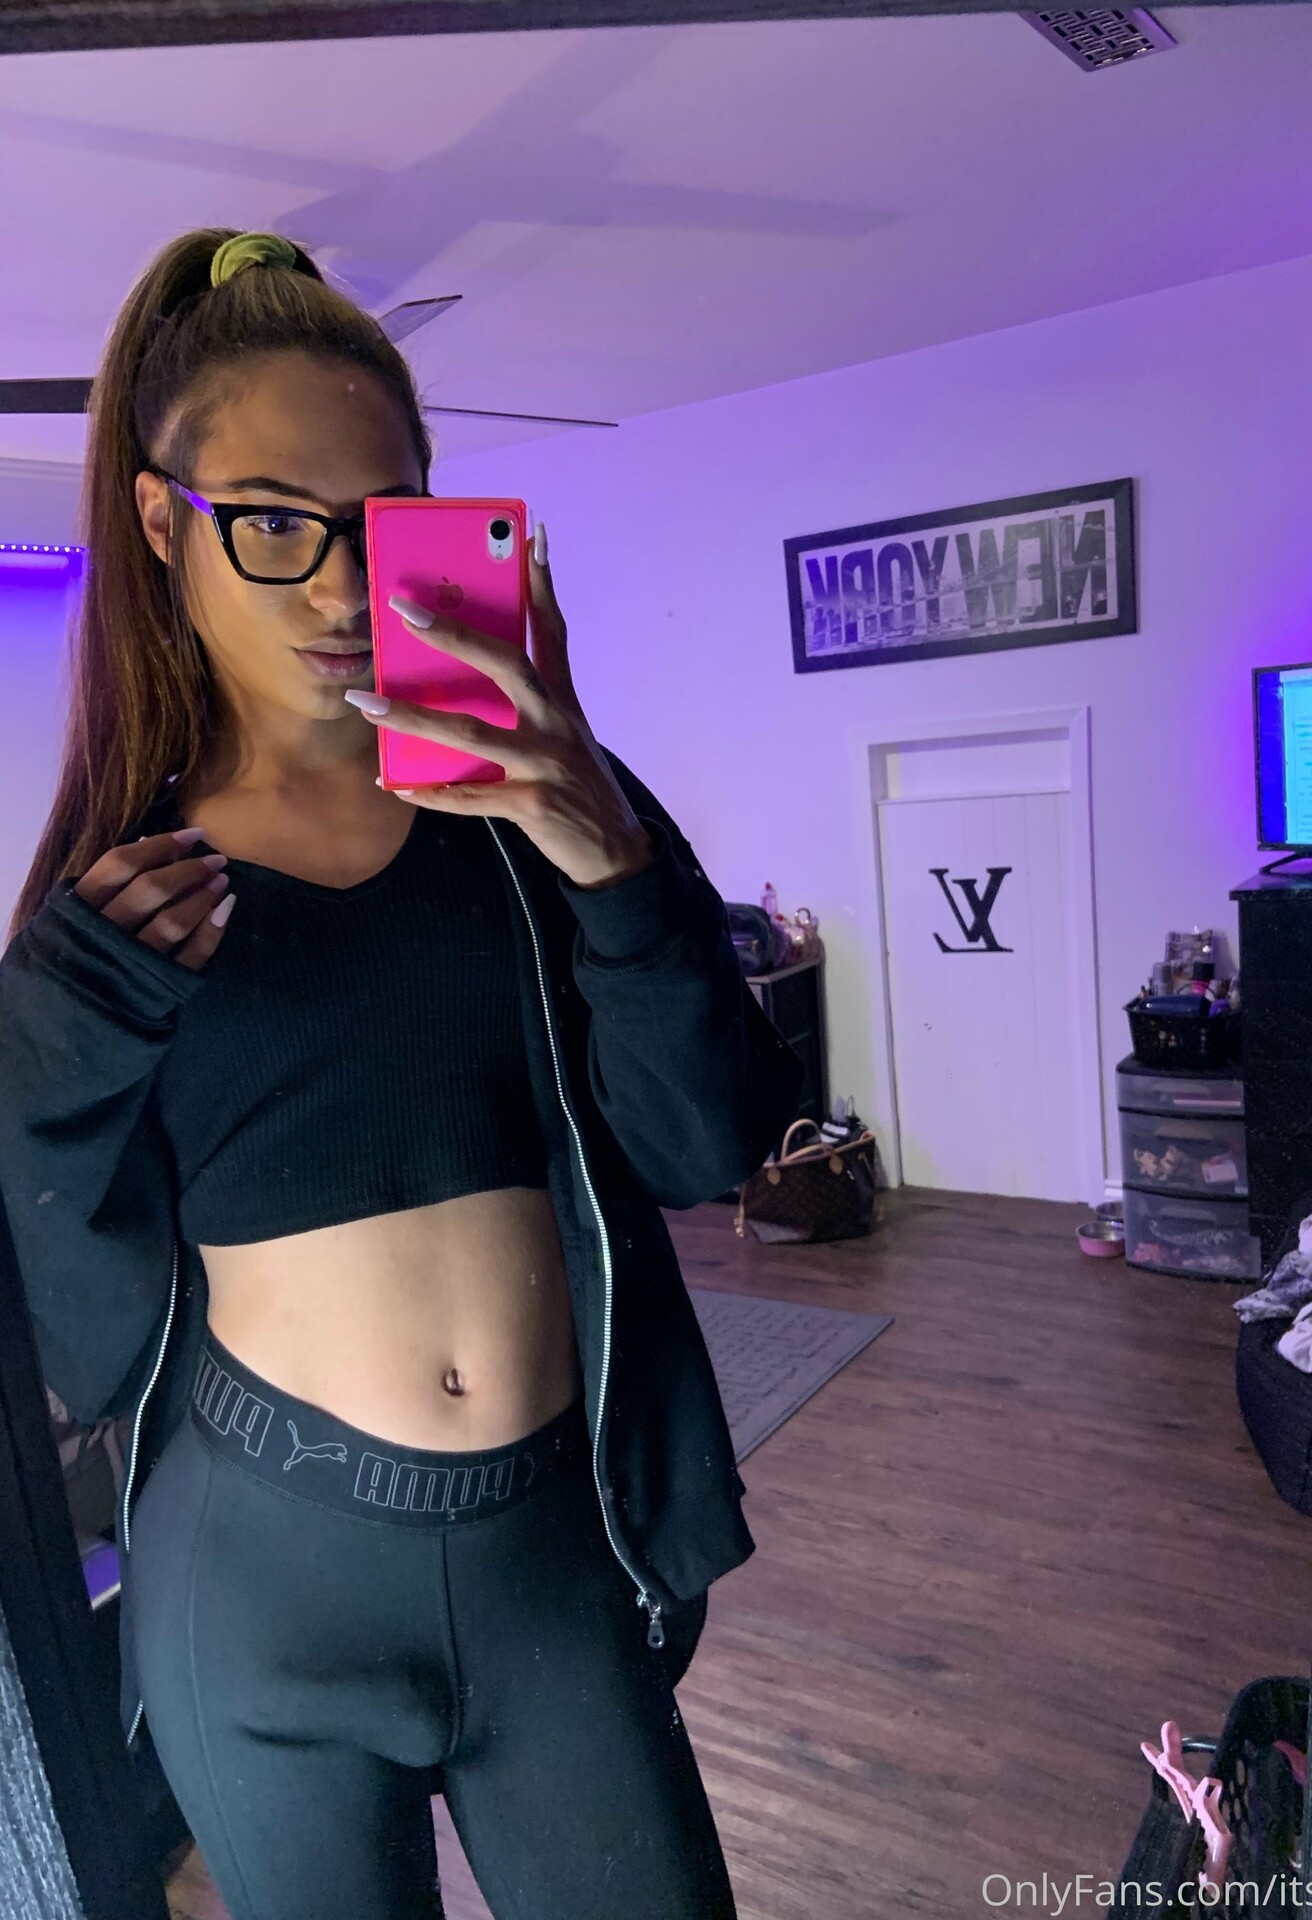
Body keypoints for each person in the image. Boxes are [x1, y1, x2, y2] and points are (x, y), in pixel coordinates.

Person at [0, 227, 804, 1920]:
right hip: (259, 1588)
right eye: (275, 523)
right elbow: (79, 1332)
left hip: (551, 1562)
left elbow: (705, 1144)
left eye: (386, 524)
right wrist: (47, 1043)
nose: (341, 589)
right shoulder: (121, 908)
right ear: (162, 522)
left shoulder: (539, 817)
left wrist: (612, 863)